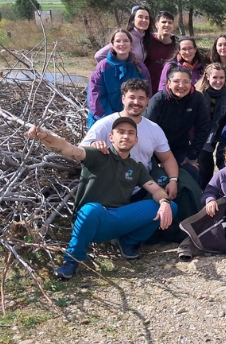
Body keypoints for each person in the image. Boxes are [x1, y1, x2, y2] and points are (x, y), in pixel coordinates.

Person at [26, 118, 177, 280]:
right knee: (92, 209)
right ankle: (71, 261)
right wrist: (45, 136)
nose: (126, 136)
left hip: (117, 219)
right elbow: (69, 149)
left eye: (131, 133)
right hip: (91, 219)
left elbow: (155, 189)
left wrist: (164, 202)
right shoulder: (97, 155)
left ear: (136, 140)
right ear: (111, 137)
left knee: (171, 206)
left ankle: (127, 242)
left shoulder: (137, 167)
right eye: (121, 132)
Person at [80, 78, 203, 244]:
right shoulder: (105, 125)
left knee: (184, 183)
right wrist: (95, 146)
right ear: (123, 98)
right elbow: (80, 152)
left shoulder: (153, 128)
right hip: (111, 186)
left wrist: (173, 180)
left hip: (141, 183)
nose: (136, 102)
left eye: (141, 98)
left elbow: (167, 158)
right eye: (132, 97)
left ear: (147, 101)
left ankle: (182, 232)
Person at [144, 66, 210, 184]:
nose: (181, 85)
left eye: (185, 82)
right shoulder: (158, 100)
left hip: (180, 147)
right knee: (158, 177)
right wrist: (155, 159)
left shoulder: (197, 99)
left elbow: (203, 128)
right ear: (168, 83)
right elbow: (147, 131)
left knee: (191, 172)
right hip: (156, 150)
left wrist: (192, 157)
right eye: (176, 81)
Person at [87, 29, 151, 129]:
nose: (122, 44)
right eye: (118, 41)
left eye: (126, 41)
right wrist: (113, 121)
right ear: (112, 45)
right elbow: (95, 99)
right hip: (104, 121)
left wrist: (134, 118)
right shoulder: (102, 67)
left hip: (132, 122)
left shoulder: (140, 68)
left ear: (131, 44)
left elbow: (146, 95)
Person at [195, 63, 226, 188]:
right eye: (215, 78)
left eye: (221, 78)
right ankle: (203, 190)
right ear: (207, 77)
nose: (218, 81)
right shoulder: (198, 94)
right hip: (201, 134)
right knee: (205, 165)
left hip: (219, 132)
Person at [146, 11, 178, 94]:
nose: (167, 25)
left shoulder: (177, 46)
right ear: (156, 25)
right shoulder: (147, 41)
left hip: (168, 93)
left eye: (170, 23)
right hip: (146, 89)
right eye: (164, 22)